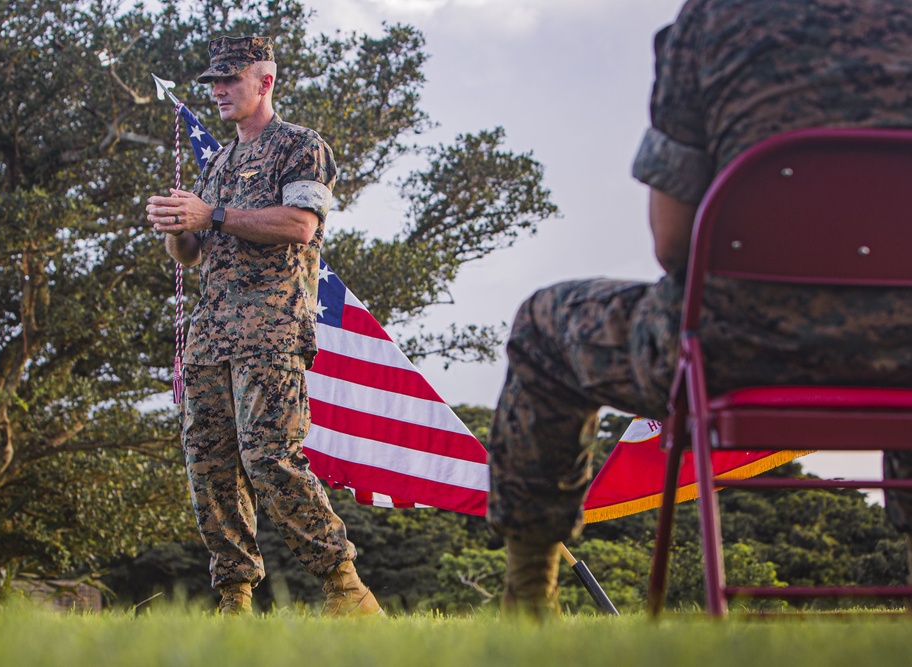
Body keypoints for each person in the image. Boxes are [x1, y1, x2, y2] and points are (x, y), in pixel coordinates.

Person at [486, 0, 912, 617]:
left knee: (542, 325)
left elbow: (672, 241)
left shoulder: (714, 19)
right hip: (903, 345)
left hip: (737, 340)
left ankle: (529, 599)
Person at [146, 35, 382, 617]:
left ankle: (344, 588)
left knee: (270, 460)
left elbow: (301, 225)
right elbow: (192, 252)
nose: (219, 91)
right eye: (213, 83)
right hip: (211, 335)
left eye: (230, 80)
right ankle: (233, 599)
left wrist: (214, 214)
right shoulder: (220, 162)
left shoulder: (300, 146)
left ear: (265, 81)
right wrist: (178, 223)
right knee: (210, 466)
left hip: (271, 329)